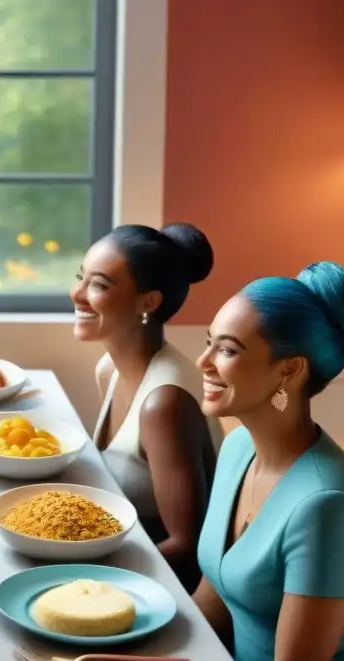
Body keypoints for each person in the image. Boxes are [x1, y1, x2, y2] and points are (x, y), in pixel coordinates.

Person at [194, 262, 344, 661]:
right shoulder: (238, 447)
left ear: (289, 370)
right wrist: (150, 658)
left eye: (226, 350)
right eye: (210, 342)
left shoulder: (325, 505)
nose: (203, 360)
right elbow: (214, 593)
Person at [70, 222, 224, 593]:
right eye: (81, 277)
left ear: (148, 302)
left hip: (159, 591)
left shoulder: (163, 405)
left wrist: (81, 576)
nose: (78, 294)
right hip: (120, 556)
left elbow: (185, 548)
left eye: (99, 285)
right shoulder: (109, 370)